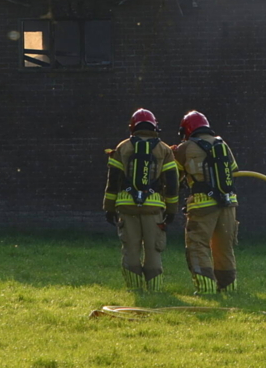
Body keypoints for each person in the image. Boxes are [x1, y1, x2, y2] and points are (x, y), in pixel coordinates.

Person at [103, 109, 180, 291]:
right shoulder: (164, 149)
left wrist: (109, 207)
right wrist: (171, 210)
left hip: (126, 205)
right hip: (153, 207)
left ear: (133, 127)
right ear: (154, 126)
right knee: (153, 250)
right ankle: (154, 290)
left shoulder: (123, 147)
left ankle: (135, 289)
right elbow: (172, 183)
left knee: (131, 248)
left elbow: (113, 181)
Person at [173, 110, 240, 294]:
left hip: (202, 205)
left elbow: (174, 176)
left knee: (198, 244)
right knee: (224, 247)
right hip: (228, 203)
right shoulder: (222, 144)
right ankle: (228, 288)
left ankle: (206, 288)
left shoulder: (185, 148)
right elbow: (233, 170)